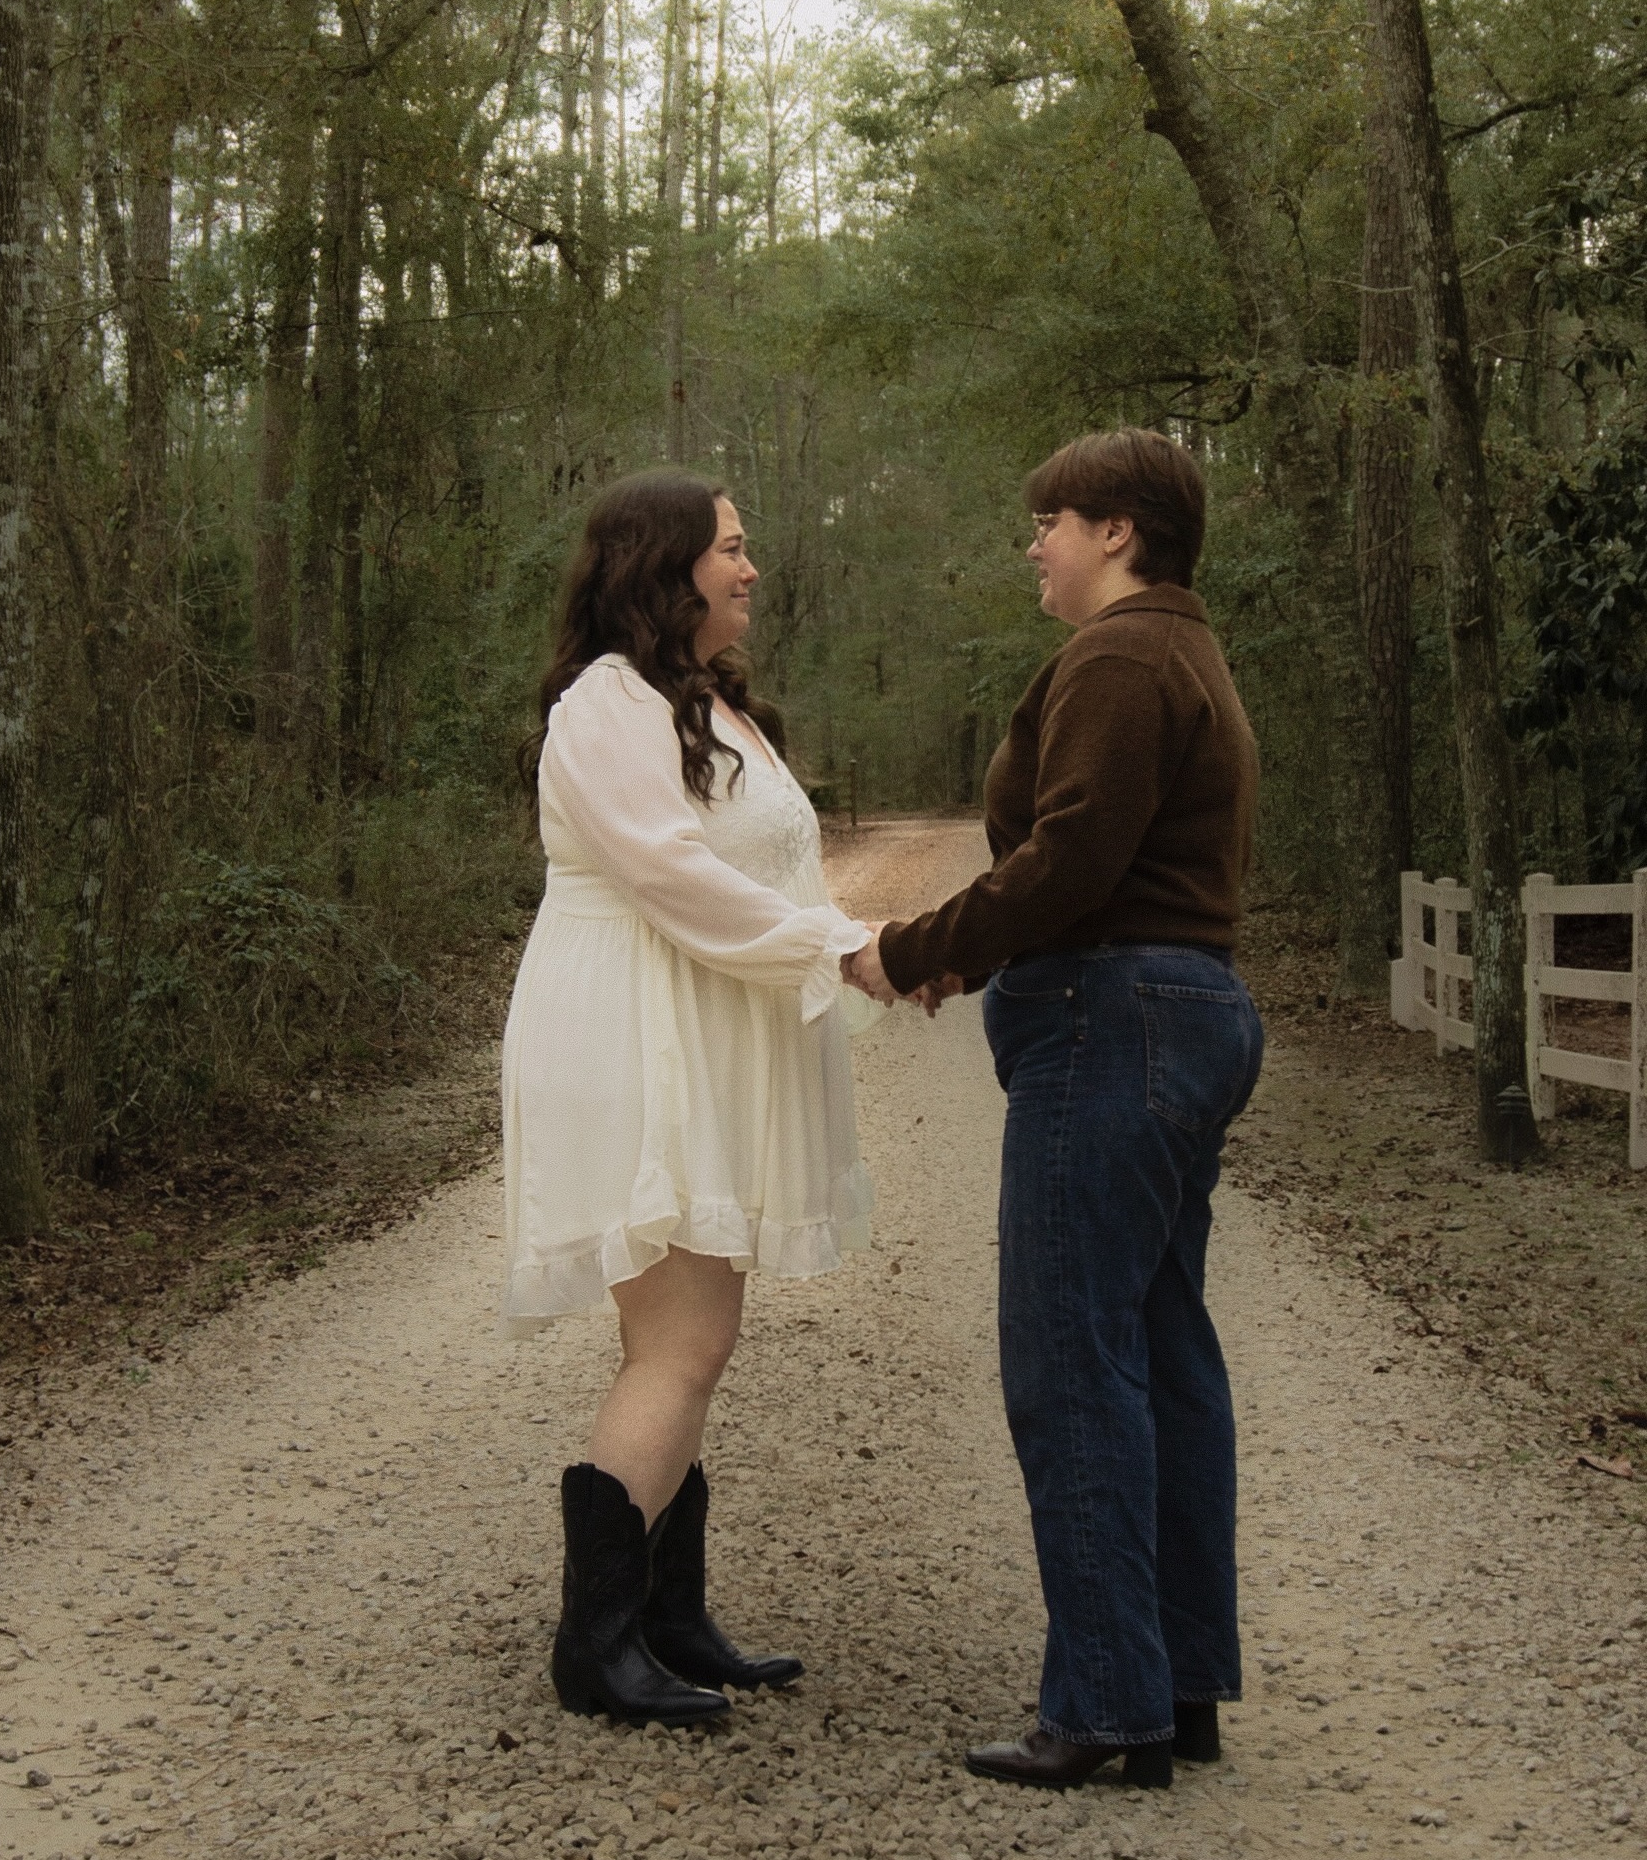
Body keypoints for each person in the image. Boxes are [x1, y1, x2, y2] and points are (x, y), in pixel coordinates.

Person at [845, 428, 1262, 1791]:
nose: (1036, 543)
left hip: (1113, 1018)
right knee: (1160, 1348)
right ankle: (1174, 1679)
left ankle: (1103, 1700)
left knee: (1072, 1357)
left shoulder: (1125, 655)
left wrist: (913, 946)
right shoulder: (1182, 652)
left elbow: (1074, 851)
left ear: (1120, 532)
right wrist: (983, 943)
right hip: (1171, 1008)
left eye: (1054, 521)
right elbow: (1099, 857)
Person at [503, 470, 876, 1728]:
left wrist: (832, 936)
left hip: (698, 1020)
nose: (752, 565)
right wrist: (840, 947)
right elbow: (669, 870)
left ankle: (667, 1614)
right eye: (731, 545)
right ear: (663, 568)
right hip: (635, 1028)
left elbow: (763, 856)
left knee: (678, 1340)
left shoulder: (707, 702)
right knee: (685, 1340)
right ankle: (594, 1640)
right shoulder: (604, 704)